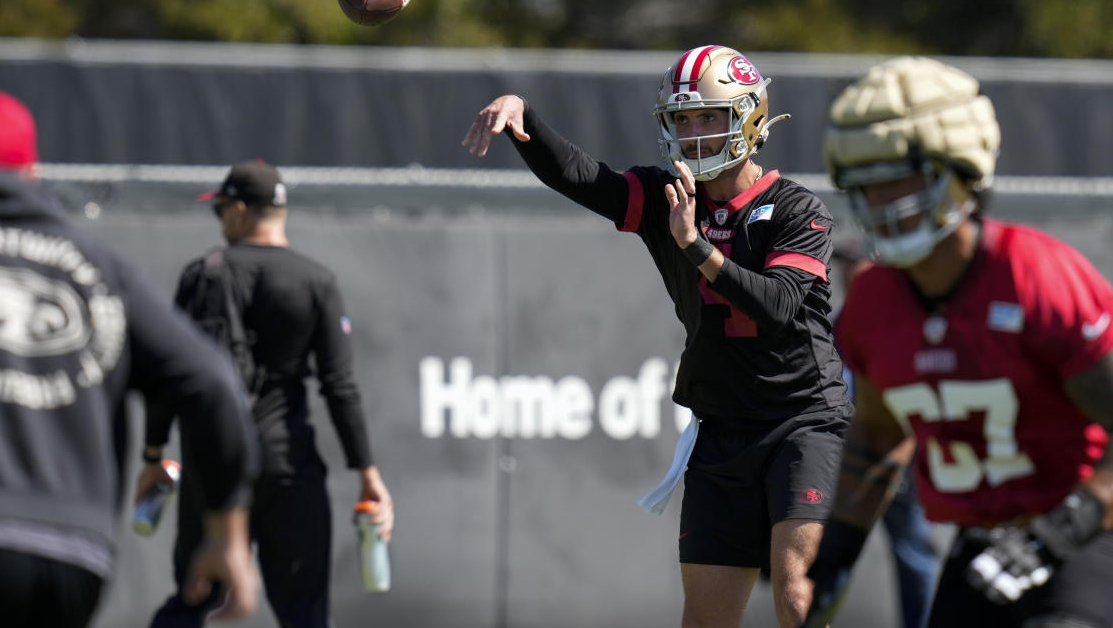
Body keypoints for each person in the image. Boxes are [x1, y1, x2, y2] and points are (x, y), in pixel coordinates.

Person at [463, 45, 853, 628]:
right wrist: (526, 121)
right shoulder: (668, 196)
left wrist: (696, 246)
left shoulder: (796, 208)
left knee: (797, 599)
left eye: (708, 118)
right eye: (682, 119)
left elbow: (776, 306)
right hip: (722, 429)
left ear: (747, 118)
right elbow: (582, 177)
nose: (693, 134)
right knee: (705, 618)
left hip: (803, 421)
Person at [0, 87, 261, 628]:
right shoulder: (95, 266)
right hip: (70, 556)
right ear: (32, 173)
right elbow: (213, 384)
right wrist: (228, 536)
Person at [804, 57, 1113, 628]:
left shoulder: (1033, 278)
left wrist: (1061, 531)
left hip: (1089, 538)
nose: (880, 201)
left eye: (899, 176)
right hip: (982, 546)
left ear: (959, 171)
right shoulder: (873, 304)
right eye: (866, 184)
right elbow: (877, 435)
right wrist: (833, 553)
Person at [139, 159, 395, 628]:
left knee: (193, 603)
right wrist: (367, 472)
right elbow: (340, 386)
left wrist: (153, 453)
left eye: (220, 210)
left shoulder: (202, 274)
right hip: (287, 464)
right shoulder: (317, 281)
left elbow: (168, 376)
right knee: (305, 616)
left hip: (214, 464)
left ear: (238, 210)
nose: (220, 220)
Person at [834, 247, 939, 628]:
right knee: (831, 556)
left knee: (914, 553)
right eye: (845, 267)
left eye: (859, 266)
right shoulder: (834, 329)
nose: (851, 276)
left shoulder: (901, 328)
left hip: (896, 462)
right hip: (841, 463)